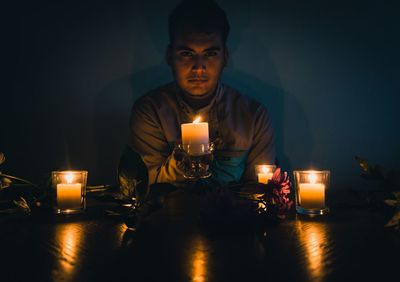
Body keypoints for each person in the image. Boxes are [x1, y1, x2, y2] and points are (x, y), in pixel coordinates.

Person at [128, 0, 274, 188]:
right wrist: (183, 160)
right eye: (187, 54)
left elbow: (262, 188)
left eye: (210, 53)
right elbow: (144, 185)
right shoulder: (150, 112)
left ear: (225, 57)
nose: (198, 67)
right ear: (169, 55)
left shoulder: (253, 116)